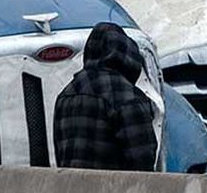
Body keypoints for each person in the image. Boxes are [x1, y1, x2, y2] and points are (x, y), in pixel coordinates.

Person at [53, 22, 158, 170]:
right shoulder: (128, 98)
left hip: (73, 191)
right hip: (116, 191)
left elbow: (61, 156)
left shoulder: (65, 96)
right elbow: (143, 163)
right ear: (128, 55)